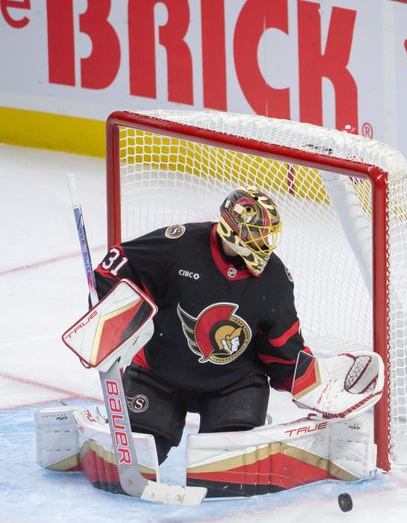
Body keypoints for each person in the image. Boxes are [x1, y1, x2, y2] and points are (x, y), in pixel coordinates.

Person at [93, 187, 310, 464]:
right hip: (158, 374)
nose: (263, 241)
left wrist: (310, 383)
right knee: (137, 459)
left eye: (267, 234)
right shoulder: (180, 245)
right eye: (256, 233)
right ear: (234, 229)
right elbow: (116, 266)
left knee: (226, 475)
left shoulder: (275, 278)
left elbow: (283, 349)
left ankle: (241, 430)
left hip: (234, 387)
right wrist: (114, 319)